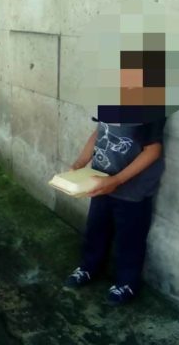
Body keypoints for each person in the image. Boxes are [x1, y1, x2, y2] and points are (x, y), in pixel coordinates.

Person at [63, 116, 166, 306]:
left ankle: (127, 283)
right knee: (96, 228)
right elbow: (100, 131)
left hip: (133, 190)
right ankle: (89, 267)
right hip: (100, 181)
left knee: (130, 239)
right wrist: (81, 162)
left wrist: (116, 181)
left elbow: (153, 151)